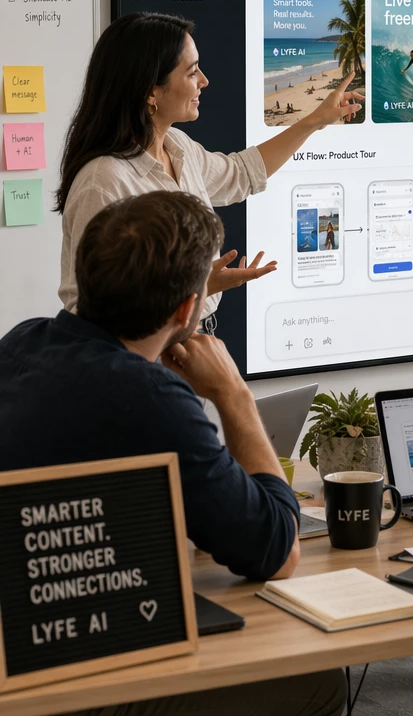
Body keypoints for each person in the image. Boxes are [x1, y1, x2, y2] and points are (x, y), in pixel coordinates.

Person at [0, 191, 346, 715]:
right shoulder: (145, 394)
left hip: (24, 642)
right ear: (187, 308)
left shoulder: (23, 342)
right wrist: (234, 395)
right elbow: (279, 552)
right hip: (70, 686)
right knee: (319, 682)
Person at [56, 13, 363, 331]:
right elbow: (90, 317)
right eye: (192, 72)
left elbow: (241, 174)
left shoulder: (178, 147)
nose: (204, 80)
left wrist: (315, 120)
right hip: (146, 362)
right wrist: (201, 288)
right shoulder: (103, 183)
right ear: (150, 91)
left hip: (198, 336)